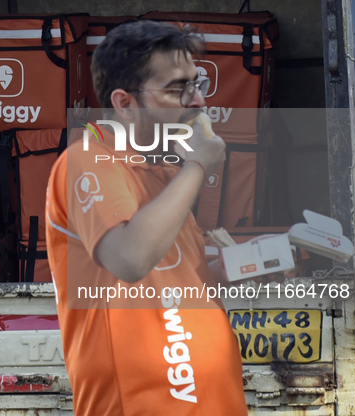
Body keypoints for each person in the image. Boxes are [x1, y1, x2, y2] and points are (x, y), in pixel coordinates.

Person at [45, 20, 248, 416]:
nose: (197, 102)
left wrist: (235, 269)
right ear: (124, 103)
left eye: (197, 83)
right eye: (177, 88)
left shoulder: (165, 170)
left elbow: (174, 275)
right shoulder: (87, 161)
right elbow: (130, 259)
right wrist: (196, 167)